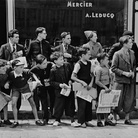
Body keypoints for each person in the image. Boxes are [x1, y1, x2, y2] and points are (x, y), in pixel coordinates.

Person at [4, 59, 44, 128]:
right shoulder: (11, 74)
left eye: (23, 67)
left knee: (32, 103)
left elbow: (32, 74)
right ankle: (15, 121)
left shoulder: (25, 72)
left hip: (25, 88)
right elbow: (9, 80)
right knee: (13, 103)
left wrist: (37, 80)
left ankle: (37, 119)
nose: (22, 68)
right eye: (20, 67)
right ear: (14, 67)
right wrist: (7, 83)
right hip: (15, 88)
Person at [111, 35, 136, 125]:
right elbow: (113, 68)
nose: (132, 44)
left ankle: (127, 118)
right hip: (120, 81)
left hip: (130, 81)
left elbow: (134, 65)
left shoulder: (132, 53)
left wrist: (133, 72)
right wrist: (124, 73)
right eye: (130, 42)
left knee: (129, 99)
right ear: (124, 44)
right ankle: (114, 118)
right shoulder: (117, 54)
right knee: (117, 99)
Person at [0, 29, 26, 112]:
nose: (18, 39)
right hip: (7, 74)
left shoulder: (21, 47)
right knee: (6, 93)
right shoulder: (4, 47)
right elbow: (0, 59)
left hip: (17, 73)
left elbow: (24, 59)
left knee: (17, 92)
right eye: (16, 37)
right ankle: (4, 115)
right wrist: (8, 62)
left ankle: (16, 112)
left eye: (18, 37)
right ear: (10, 38)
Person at [50, 51, 76, 127]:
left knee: (70, 104)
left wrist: (71, 81)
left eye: (63, 59)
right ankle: (57, 119)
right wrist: (60, 85)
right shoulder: (53, 70)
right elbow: (51, 81)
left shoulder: (67, 65)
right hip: (59, 90)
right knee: (59, 105)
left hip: (68, 88)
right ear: (55, 61)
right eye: (60, 59)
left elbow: (72, 75)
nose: (62, 61)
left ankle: (72, 120)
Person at [71, 47, 94, 128]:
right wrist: (81, 82)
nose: (89, 56)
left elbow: (92, 75)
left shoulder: (89, 63)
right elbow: (73, 76)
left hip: (88, 86)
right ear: (82, 55)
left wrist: (91, 84)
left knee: (88, 104)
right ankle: (81, 121)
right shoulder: (78, 64)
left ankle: (87, 120)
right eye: (88, 54)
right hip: (81, 87)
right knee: (82, 105)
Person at [30, 54, 54, 125]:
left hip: (50, 85)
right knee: (44, 102)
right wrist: (37, 80)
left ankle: (53, 115)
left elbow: (52, 63)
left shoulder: (49, 64)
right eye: (44, 64)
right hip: (41, 86)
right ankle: (45, 118)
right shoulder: (35, 68)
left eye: (46, 62)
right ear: (38, 65)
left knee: (52, 99)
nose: (46, 64)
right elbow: (30, 72)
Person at [95, 53, 116, 127]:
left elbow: (110, 76)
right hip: (101, 88)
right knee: (99, 104)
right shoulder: (98, 69)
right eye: (106, 59)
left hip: (107, 86)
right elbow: (97, 81)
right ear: (101, 61)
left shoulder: (107, 67)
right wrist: (104, 87)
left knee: (107, 103)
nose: (108, 61)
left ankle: (106, 119)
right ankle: (99, 120)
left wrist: (111, 83)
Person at [0, 61, 12, 127]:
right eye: (2, 69)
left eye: (5, 68)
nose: (4, 70)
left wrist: (7, 83)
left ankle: (5, 119)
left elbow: (9, 79)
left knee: (5, 103)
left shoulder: (6, 72)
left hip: (5, 89)